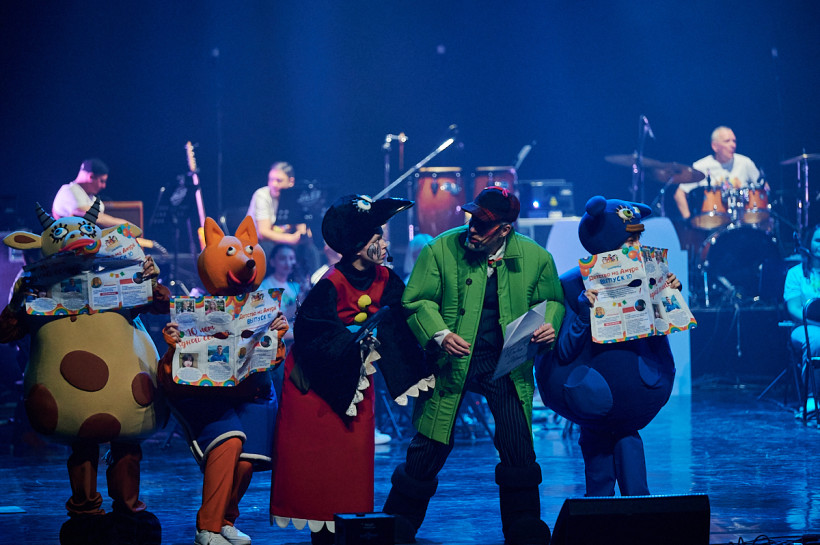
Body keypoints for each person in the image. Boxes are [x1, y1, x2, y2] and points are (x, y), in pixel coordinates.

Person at [383, 186, 565, 545]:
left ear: (504, 230)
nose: (473, 229)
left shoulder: (536, 258)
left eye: (483, 225)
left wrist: (549, 325)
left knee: (517, 441)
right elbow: (416, 301)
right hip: (452, 360)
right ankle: (396, 525)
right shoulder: (440, 249)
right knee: (431, 442)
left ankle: (523, 525)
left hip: (504, 361)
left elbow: (553, 301)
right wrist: (439, 334)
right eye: (472, 219)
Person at [270, 194, 434, 545]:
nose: (384, 244)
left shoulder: (386, 278)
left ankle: (351, 528)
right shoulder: (330, 283)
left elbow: (402, 321)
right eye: (377, 239)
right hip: (316, 383)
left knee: (353, 458)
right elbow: (312, 334)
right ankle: (321, 532)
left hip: (355, 379)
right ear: (359, 247)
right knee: (319, 462)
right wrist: (353, 339)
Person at [535, 195, 680, 498]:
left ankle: (638, 510)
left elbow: (664, 327)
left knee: (629, 451)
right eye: (630, 240)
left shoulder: (647, 275)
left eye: (638, 239)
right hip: (591, 392)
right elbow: (563, 352)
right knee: (597, 455)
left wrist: (669, 295)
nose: (637, 247)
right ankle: (598, 513)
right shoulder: (571, 286)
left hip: (636, 388)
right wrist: (583, 312)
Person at [673, 126, 762, 222]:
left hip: (744, 222)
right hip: (713, 224)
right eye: (727, 141)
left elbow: (763, 188)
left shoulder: (745, 163)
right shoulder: (701, 166)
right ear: (715, 146)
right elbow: (679, 194)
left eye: (734, 141)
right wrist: (688, 220)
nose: (733, 145)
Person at [784, 224, 820, 414]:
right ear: (809, 243)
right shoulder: (795, 274)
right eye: (818, 240)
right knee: (816, 340)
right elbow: (794, 309)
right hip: (803, 326)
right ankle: (813, 397)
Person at [52, 158, 130, 227]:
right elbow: (92, 215)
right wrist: (125, 224)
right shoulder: (68, 191)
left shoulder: (92, 197)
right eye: (102, 181)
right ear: (91, 176)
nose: (104, 186)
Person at [247, 162, 307, 246]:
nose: (274, 184)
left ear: (291, 181)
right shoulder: (262, 195)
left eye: (279, 180)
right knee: (276, 248)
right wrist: (291, 239)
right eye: (271, 179)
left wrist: (302, 235)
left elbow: (301, 227)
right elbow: (263, 232)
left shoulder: (293, 196)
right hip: (257, 243)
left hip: (281, 242)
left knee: (309, 248)